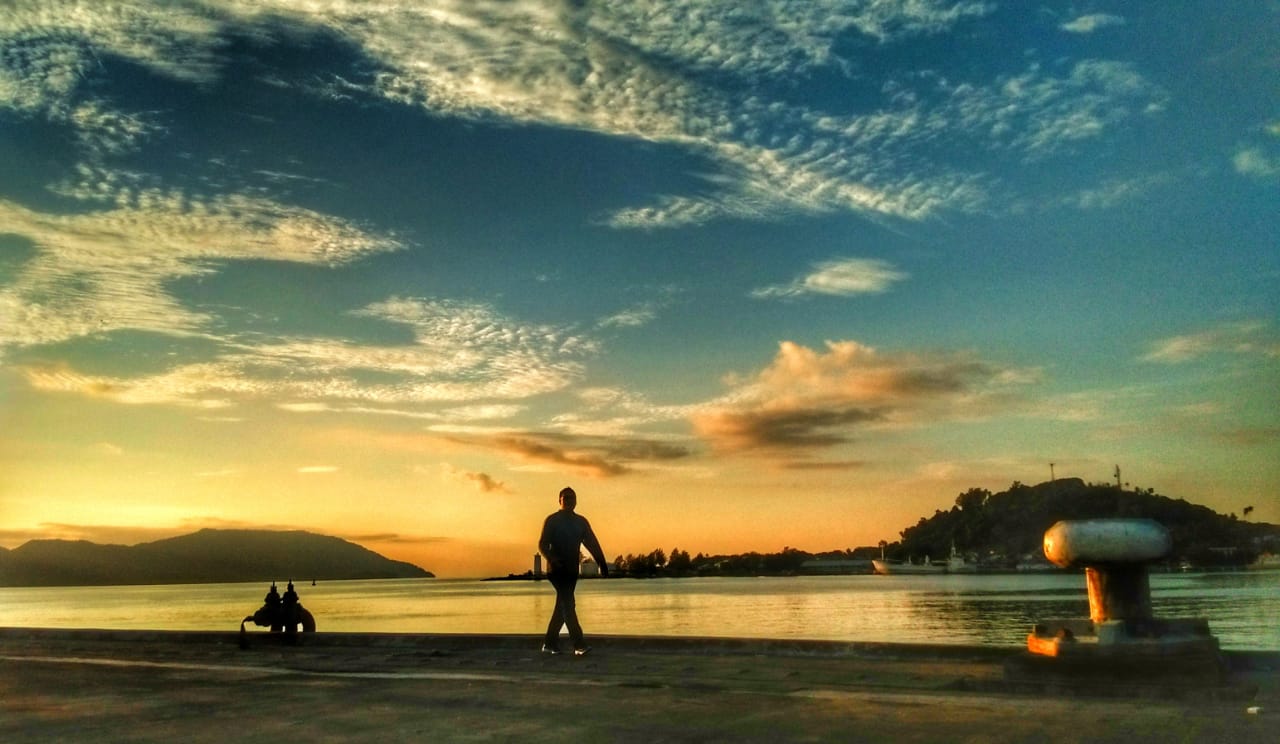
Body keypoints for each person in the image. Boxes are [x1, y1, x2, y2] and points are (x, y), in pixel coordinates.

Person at [538, 486, 608, 656]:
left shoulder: (581, 522)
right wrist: (552, 559)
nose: (569, 501)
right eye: (566, 498)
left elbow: (592, 543)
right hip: (556, 570)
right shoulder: (552, 520)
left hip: (571, 571)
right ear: (560, 500)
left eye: (572, 498)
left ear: (576, 501)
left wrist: (602, 563)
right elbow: (542, 544)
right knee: (568, 605)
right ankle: (579, 644)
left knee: (563, 605)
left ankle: (549, 643)